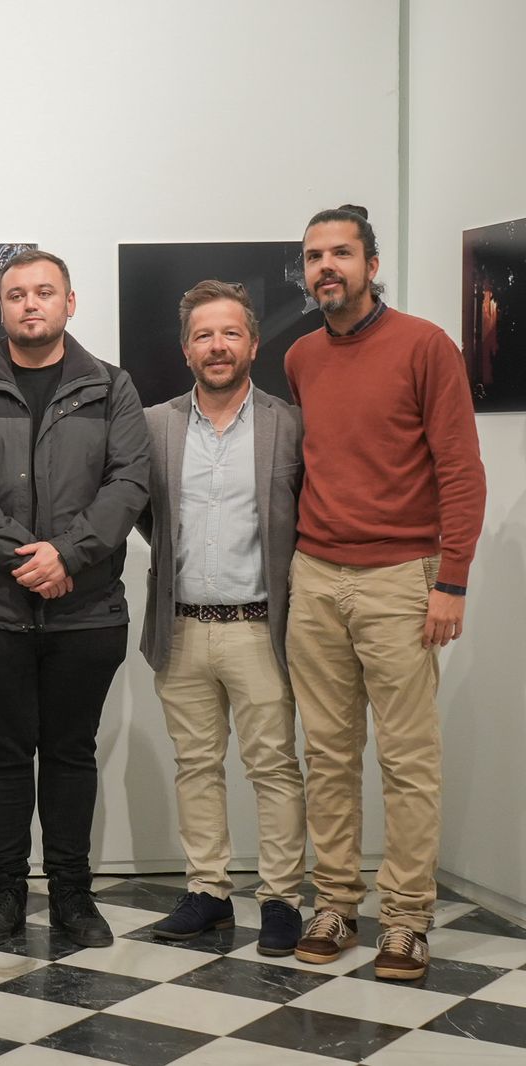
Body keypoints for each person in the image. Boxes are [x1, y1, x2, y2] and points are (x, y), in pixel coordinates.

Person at [285, 206, 486, 980]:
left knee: (408, 758)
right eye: (313, 256)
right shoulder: (301, 357)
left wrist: (453, 582)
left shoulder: (424, 345)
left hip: (404, 577)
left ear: (372, 262)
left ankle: (406, 920)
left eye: (340, 253)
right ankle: (335, 903)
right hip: (316, 573)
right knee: (327, 754)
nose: (325, 267)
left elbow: (462, 471)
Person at [0, 249, 149, 949]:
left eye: (44, 292)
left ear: (69, 303)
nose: (31, 304)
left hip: (84, 611)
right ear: (1, 308)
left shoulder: (111, 387)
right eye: (17, 294)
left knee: (70, 753)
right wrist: (28, 559)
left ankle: (72, 899)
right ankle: (1, 896)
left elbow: (128, 485)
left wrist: (70, 555)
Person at [136, 280, 307, 955]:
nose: (217, 345)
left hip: (259, 627)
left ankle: (282, 898)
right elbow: (148, 516)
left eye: (230, 333)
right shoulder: (155, 424)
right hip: (180, 627)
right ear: (186, 350)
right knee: (196, 764)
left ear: (253, 344)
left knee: (273, 767)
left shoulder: (286, 423)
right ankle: (208, 891)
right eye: (204, 335)